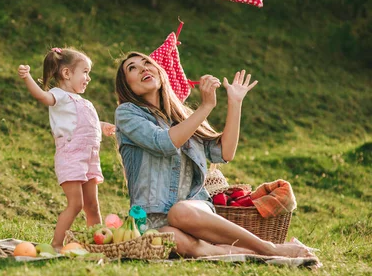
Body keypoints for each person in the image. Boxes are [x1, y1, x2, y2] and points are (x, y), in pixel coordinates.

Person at [114, 51, 314, 258]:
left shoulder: (184, 116)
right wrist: (206, 106)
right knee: (170, 239)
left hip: (194, 212)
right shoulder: (127, 113)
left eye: (147, 63)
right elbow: (164, 142)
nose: (143, 68)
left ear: (159, 71)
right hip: (153, 218)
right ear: (126, 85)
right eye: (133, 68)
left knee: (180, 211)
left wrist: (235, 103)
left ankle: (268, 248)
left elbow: (225, 152)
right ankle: (267, 252)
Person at [18, 47, 116, 249]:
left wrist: (102, 126)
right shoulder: (59, 96)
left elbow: (84, 124)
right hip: (71, 157)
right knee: (76, 204)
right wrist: (27, 77)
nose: (88, 78)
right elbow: (42, 97)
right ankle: (56, 244)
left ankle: (97, 244)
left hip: (89, 159)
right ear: (66, 73)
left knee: (93, 206)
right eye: (85, 72)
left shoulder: (85, 102)